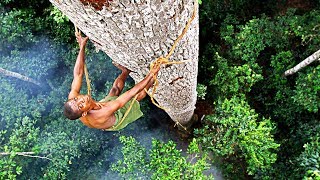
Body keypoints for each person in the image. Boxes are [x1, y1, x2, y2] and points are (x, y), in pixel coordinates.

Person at [63, 33, 160, 130]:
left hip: (97, 108)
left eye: (76, 99)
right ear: (84, 113)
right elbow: (130, 93)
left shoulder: (72, 100)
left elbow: (78, 73)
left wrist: (82, 46)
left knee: (114, 91)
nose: (81, 100)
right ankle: (152, 80)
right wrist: (151, 74)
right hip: (115, 120)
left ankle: (125, 71)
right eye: (81, 105)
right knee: (136, 97)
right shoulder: (103, 113)